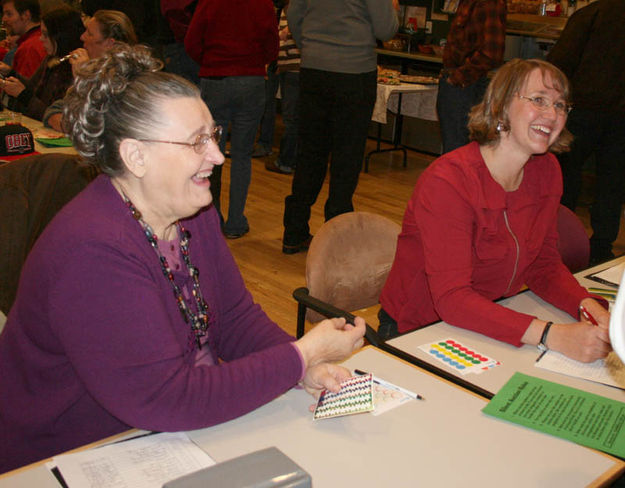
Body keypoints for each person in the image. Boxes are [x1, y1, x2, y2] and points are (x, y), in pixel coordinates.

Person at [0, 44, 365, 474]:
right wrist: (300, 357)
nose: (216, 155)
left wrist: (303, 367)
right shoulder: (93, 249)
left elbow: (233, 317)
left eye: (213, 135)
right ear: (135, 156)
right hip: (70, 457)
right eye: (196, 142)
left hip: (163, 434)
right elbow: (169, 398)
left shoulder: (193, 210)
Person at [379, 58, 611, 363]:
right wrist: (551, 335)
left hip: (490, 315)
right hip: (419, 330)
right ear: (501, 106)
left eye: (560, 105)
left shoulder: (546, 170)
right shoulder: (449, 181)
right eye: (538, 100)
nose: (552, 114)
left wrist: (587, 305)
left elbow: (543, 264)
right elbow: (452, 300)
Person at [281, 0, 398, 254]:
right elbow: (386, 29)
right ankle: (336, 234)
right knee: (347, 156)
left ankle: (294, 229)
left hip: (314, 69)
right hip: (354, 72)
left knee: (310, 153)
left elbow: (294, 16)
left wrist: (312, 46)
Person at [185, 0, 279, 239]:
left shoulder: (210, 2)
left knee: (210, 153)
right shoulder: (263, 3)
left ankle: (212, 216)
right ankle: (236, 220)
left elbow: (192, 42)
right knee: (242, 155)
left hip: (216, 78)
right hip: (251, 79)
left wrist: (210, 61)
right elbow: (272, 47)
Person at [547, 0, 625, 265]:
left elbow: (558, 64)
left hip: (584, 110)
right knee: (612, 183)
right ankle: (602, 247)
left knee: (566, 174)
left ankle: (561, 239)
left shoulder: (590, 15)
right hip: (622, 116)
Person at [43, 9, 138, 130]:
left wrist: (83, 79)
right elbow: (55, 109)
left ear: (109, 44)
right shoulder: (97, 68)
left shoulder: (127, 78)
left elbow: (97, 123)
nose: (82, 37)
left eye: (89, 33)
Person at [436, 0, 506, 154]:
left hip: (466, 86)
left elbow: (491, 53)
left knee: (458, 153)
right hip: (460, 83)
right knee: (454, 153)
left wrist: (457, 77)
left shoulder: (487, 3)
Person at [1, 6, 83, 121]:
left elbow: (56, 116)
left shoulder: (77, 67)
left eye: (45, 34)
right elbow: (32, 86)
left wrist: (23, 95)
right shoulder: (51, 58)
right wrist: (11, 73)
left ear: (60, 37)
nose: (40, 39)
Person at [0, 0, 46, 78]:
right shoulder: (40, 39)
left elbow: (26, 88)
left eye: (9, 14)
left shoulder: (29, 47)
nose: (4, 19)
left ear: (26, 15)